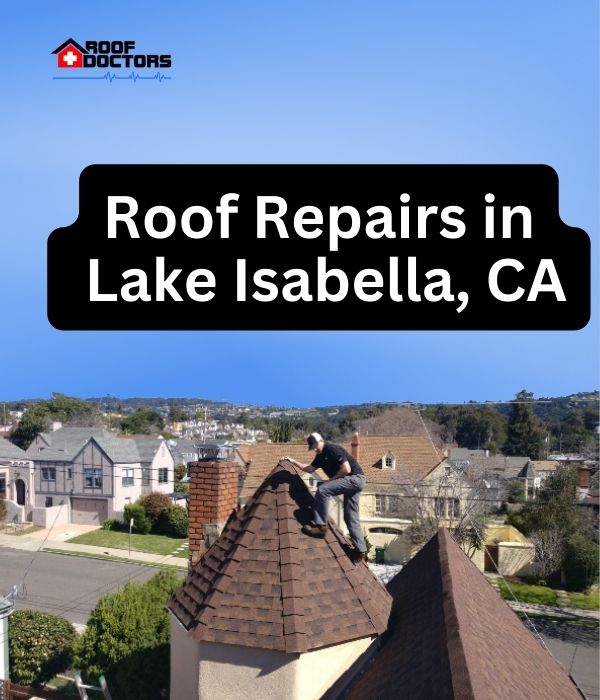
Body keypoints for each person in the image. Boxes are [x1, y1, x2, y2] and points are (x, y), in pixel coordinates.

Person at [286, 432, 367, 563]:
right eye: (312, 447)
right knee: (349, 516)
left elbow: (346, 469)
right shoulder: (319, 457)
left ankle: (321, 527)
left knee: (323, 489)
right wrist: (293, 461)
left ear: (321, 441)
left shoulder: (332, 449)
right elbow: (309, 469)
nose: (314, 449)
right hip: (353, 482)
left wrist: (330, 481)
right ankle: (360, 551)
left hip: (355, 478)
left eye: (315, 446)